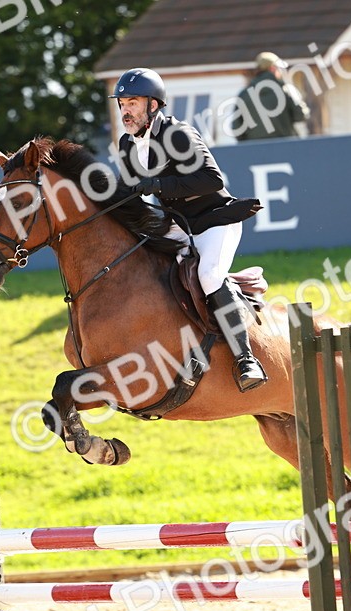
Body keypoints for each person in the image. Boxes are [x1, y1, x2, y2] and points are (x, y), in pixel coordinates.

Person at [110, 67, 268, 392]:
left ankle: (245, 359)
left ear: (153, 105)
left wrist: (157, 184)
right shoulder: (127, 145)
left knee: (209, 276)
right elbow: (129, 193)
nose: (126, 110)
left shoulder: (178, 134)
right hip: (178, 227)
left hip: (214, 221)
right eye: (123, 103)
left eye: (133, 103)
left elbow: (213, 180)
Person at [234, 52, 310, 141]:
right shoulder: (286, 90)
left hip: (255, 150)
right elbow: (301, 115)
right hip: (285, 147)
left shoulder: (244, 95)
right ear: (273, 68)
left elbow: (236, 127)